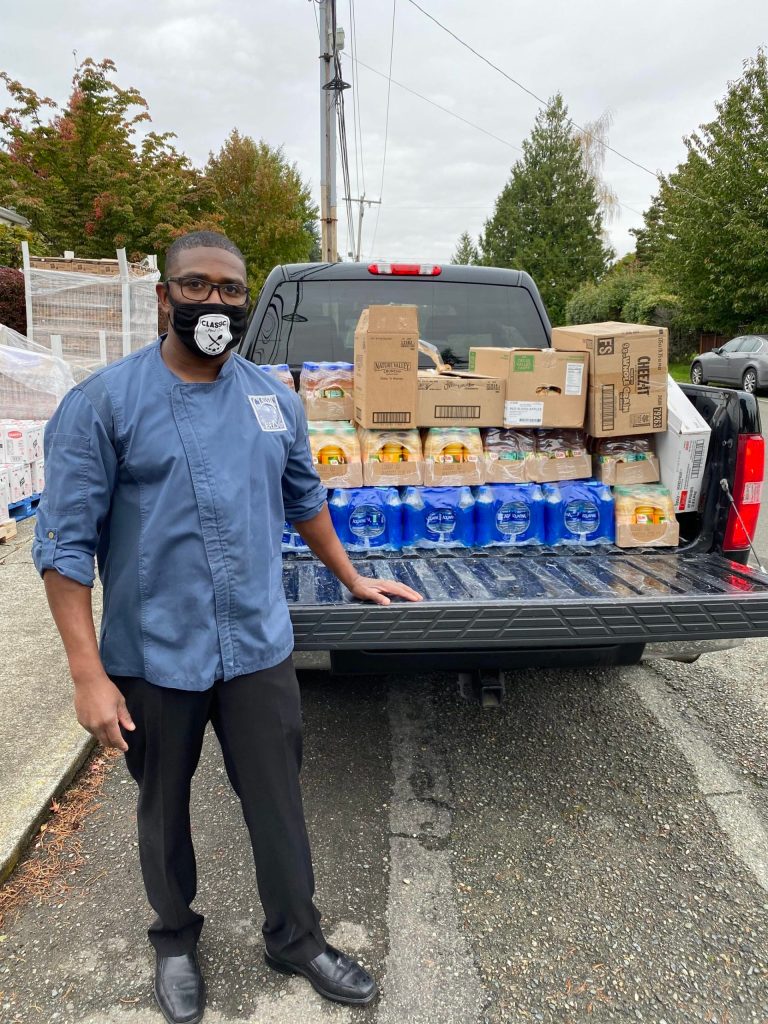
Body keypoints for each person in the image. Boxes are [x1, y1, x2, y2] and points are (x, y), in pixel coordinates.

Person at [32, 231, 422, 1024]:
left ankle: (297, 937)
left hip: (255, 646)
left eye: (230, 291)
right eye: (197, 287)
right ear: (163, 297)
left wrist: (351, 577)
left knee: (278, 801)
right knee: (161, 807)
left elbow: (303, 497)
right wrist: (86, 674)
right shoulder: (102, 404)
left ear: (246, 301)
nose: (215, 303)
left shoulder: (271, 397)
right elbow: (64, 545)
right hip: (152, 653)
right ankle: (174, 937)